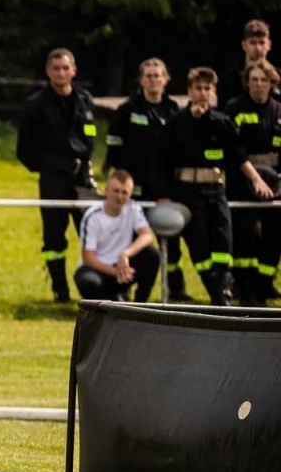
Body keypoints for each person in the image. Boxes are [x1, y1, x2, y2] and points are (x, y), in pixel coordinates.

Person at [159, 67, 271, 306]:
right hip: (188, 191)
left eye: (207, 89)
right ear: (189, 91)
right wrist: (164, 194)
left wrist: (256, 179)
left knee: (223, 241)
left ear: (213, 91)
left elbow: (238, 155)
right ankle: (218, 295)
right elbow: (162, 161)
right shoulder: (176, 123)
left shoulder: (222, 122)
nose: (202, 93)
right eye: (198, 88)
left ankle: (222, 291)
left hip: (216, 190)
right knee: (200, 246)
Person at [16, 48, 99, 302]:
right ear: (47, 71)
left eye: (65, 68)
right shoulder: (36, 104)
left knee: (92, 231)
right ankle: (60, 290)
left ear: (73, 70)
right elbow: (24, 149)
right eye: (56, 68)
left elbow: (90, 135)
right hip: (53, 178)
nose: (61, 73)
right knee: (53, 235)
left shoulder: (84, 99)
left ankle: (96, 287)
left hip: (82, 177)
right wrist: (47, 166)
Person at [105, 58, 185, 300]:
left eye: (157, 75)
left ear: (166, 79)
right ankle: (124, 287)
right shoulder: (126, 110)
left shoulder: (174, 111)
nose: (153, 80)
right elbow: (114, 148)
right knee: (130, 240)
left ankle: (175, 288)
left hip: (165, 190)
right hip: (133, 190)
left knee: (171, 241)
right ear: (141, 80)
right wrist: (122, 182)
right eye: (148, 76)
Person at [221, 59, 281, 304]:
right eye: (254, 79)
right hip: (242, 181)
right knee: (244, 237)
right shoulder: (235, 108)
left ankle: (263, 285)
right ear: (246, 83)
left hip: (275, 184)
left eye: (263, 79)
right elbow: (234, 149)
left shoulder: (278, 110)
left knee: (274, 236)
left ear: (271, 82)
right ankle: (244, 290)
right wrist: (255, 179)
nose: (259, 84)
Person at [75, 169, 160, 302]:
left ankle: (140, 304)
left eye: (124, 192)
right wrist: (116, 272)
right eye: (116, 191)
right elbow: (88, 258)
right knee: (88, 282)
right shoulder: (92, 216)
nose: (120, 196)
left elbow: (147, 235)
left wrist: (125, 254)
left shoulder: (133, 208)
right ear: (106, 190)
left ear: (130, 194)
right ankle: (102, 307)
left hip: (123, 267)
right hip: (98, 269)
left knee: (152, 256)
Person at [224, 20, 276, 104]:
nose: (258, 48)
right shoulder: (231, 79)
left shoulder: (277, 78)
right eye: (253, 43)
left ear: (269, 45)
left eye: (262, 42)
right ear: (244, 45)